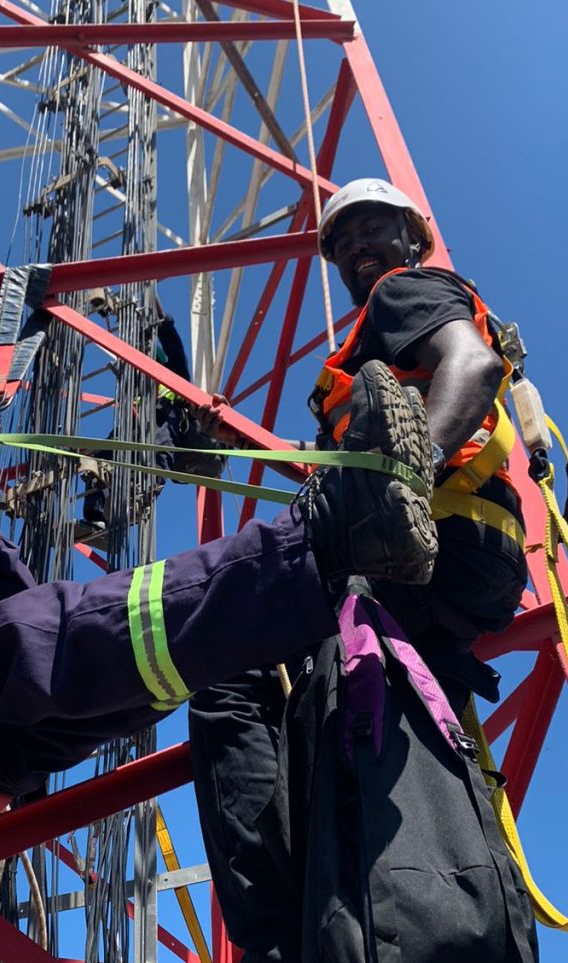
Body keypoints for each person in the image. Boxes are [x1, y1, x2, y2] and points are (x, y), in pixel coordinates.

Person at [0, 359, 436, 844]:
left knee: (116, 676)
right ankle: (323, 536)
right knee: (57, 636)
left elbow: (29, 607)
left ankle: (313, 575)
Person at [189, 178, 531, 961]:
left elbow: (472, 367)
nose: (355, 253)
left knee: (228, 673)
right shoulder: (386, 328)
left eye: (372, 232)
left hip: (419, 539)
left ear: (413, 237)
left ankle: (276, 937)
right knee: (332, 701)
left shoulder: (403, 295)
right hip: (452, 567)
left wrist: (407, 476)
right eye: (343, 246)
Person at [80, 302, 223, 533]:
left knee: (158, 447)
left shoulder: (174, 378)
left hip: (165, 423)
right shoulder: (135, 390)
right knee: (101, 459)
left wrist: (162, 316)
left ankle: (142, 494)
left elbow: (173, 344)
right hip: (134, 426)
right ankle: (95, 517)